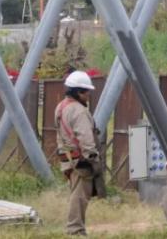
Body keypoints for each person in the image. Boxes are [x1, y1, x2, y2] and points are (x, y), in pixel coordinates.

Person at [56, 70, 104, 236]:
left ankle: (75, 228)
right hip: (80, 160)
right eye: (85, 91)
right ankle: (75, 230)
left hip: (67, 158)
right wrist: (92, 158)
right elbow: (85, 137)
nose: (88, 94)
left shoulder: (61, 107)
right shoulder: (79, 110)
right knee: (80, 197)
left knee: (76, 195)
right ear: (77, 92)